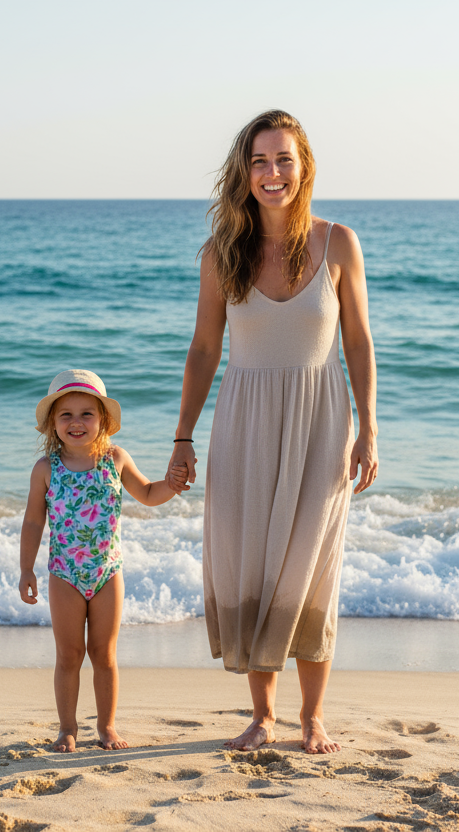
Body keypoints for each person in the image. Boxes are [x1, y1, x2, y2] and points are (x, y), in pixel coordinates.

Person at [167, 110, 378, 754]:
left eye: (283, 159)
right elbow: (204, 350)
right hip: (245, 421)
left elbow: (359, 340)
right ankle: (264, 714)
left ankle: (313, 717)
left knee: (313, 563)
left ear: (303, 166)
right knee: (252, 560)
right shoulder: (220, 255)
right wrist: (182, 438)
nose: (272, 173)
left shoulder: (338, 242)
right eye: (259, 161)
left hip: (322, 419)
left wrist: (370, 428)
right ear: (244, 171)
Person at [20, 369, 178, 752]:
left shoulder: (115, 459)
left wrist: (172, 484)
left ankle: (107, 727)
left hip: (107, 572)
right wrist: (26, 568)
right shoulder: (46, 469)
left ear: (103, 420)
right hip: (64, 574)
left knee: (104, 654)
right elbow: (33, 520)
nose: (76, 422)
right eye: (66, 415)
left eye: (86, 413)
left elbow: (149, 493)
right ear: (52, 424)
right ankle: (67, 728)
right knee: (69, 654)